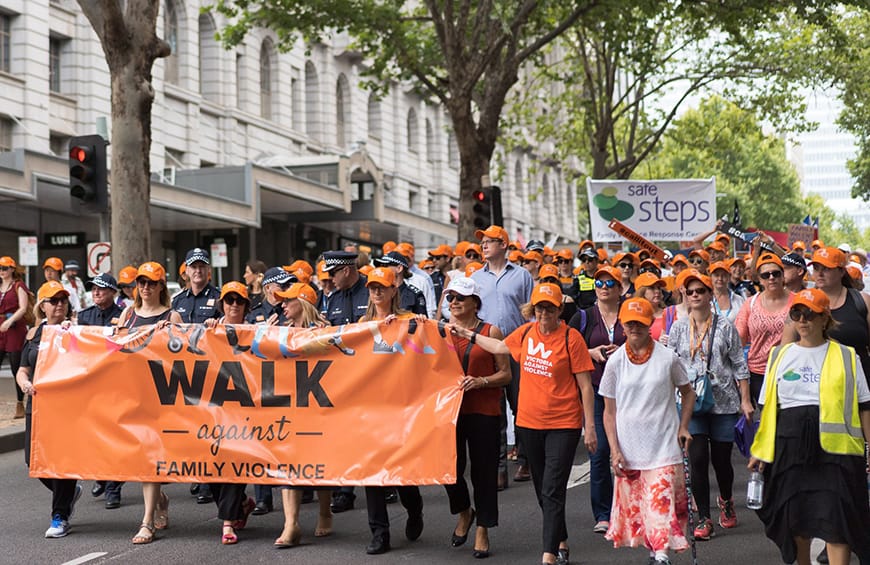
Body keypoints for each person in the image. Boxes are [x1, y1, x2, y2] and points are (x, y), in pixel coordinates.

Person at [452, 282, 595, 565]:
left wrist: (589, 426)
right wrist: (468, 333)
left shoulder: (572, 338)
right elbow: (499, 345)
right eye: (539, 308)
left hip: (563, 424)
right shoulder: (526, 332)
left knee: (553, 487)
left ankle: (549, 554)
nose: (544, 314)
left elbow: (586, 387)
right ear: (532, 310)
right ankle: (561, 538)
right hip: (529, 423)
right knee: (544, 489)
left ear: (559, 310)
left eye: (550, 308)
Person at [749, 288, 870, 565]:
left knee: (837, 520)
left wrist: (869, 448)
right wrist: (759, 450)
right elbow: (768, 408)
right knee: (796, 521)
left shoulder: (848, 356)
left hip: (837, 452)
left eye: (810, 315)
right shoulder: (778, 356)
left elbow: (865, 405)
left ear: (825, 318)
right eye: (796, 314)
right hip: (789, 447)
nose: (802, 321)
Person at [600, 297, 695, 565]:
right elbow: (609, 411)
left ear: (650, 324)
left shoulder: (668, 358)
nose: (634, 328)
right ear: (622, 325)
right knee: (641, 510)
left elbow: (688, 393)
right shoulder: (616, 362)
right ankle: (655, 552)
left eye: (640, 323)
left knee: (660, 502)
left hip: (664, 444)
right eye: (629, 323)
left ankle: (662, 555)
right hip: (630, 448)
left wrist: (683, 425)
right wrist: (614, 450)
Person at [666, 270, 753, 541]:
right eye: (690, 292)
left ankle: (726, 499)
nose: (695, 296)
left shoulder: (725, 326)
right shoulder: (679, 327)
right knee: (698, 458)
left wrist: (746, 399)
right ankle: (703, 516)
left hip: (724, 400)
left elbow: (740, 364)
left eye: (700, 291)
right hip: (691, 401)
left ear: (709, 294)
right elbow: (671, 363)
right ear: (685, 295)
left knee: (722, 461)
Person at [442, 277, 511, 558]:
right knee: (448, 470)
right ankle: (463, 511)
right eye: (450, 298)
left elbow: (506, 374)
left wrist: (481, 381)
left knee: (483, 473)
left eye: (461, 297)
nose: (454, 302)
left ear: (475, 302)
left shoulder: (490, 331)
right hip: (449, 413)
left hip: (483, 410)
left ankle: (482, 527)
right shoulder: (442, 332)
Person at [359, 267, 425, 554]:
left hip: (400, 407)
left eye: (382, 287)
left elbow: (422, 355)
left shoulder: (410, 321)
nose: (376, 292)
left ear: (393, 290)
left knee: (401, 472)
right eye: (372, 287)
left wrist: (417, 328)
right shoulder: (361, 324)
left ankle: (414, 507)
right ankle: (379, 533)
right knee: (372, 471)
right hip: (370, 409)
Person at [120, 262, 182, 544]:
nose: (145, 287)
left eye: (151, 283)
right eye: (141, 282)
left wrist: (169, 334)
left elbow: (187, 358)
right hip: (132, 394)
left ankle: (146, 523)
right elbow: (115, 351)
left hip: (161, 396)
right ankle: (160, 498)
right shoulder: (128, 314)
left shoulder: (173, 316)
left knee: (150, 458)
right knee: (136, 459)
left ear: (161, 286)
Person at [16, 280, 83, 538]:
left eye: (63, 300)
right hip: (38, 406)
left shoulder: (75, 331)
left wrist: (73, 334)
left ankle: (60, 515)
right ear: (42, 306)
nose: (59, 305)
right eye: (53, 301)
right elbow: (23, 370)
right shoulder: (33, 335)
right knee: (32, 461)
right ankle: (68, 492)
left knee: (61, 463)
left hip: (66, 408)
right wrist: (25, 384)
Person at [271, 281, 335, 547]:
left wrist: (325, 337)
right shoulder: (281, 330)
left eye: (288, 300)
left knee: (317, 462)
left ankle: (324, 511)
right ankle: (291, 524)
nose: (282, 304)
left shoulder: (325, 329)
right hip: (288, 404)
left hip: (317, 404)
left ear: (304, 303)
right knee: (288, 460)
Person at [470, 225, 535, 488]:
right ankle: (498, 466)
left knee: (521, 406)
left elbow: (531, 313)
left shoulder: (522, 276)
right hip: (488, 350)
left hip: (517, 349)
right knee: (494, 410)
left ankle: (525, 458)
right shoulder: (476, 277)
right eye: (482, 242)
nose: (484, 246)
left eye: (490, 242)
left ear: (504, 246)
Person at [569, 264, 624, 534]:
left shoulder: (630, 314)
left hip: (630, 394)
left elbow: (647, 341)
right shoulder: (584, 317)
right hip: (598, 392)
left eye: (609, 284)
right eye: (599, 284)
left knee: (632, 452)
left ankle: (630, 507)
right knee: (600, 452)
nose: (603, 288)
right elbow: (568, 346)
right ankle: (603, 513)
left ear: (620, 289)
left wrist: (623, 350)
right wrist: (590, 352)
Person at [201, 281, 256, 544]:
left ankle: (226, 523)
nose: (234, 304)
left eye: (239, 300)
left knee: (235, 463)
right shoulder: (209, 329)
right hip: (213, 407)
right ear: (222, 303)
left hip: (244, 408)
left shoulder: (257, 330)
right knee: (211, 466)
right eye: (229, 300)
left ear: (246, 305)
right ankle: (243, 504)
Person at [323, 250, 369, 513]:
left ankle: (385, 484)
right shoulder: (334, 298)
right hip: (342, 375)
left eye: (333, 274)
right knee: (343, 434)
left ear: (347, 271)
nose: (329, 280)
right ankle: (344, 491)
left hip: (370, 374)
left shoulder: (371, 290)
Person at [78, 273, 126, 508]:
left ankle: (113, 488)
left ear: (113, 293)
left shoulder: (123, 317)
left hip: (116, 386)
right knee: (96, 436)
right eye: (93, 289)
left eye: (102, 289)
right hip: (92, 386)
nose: (96, 293)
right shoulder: (84, 316)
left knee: (115, 437)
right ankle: (101, 475)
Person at [735, 253, 795, 406]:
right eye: (766, 275)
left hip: (790, 371)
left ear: (783, 276)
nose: (771, 278)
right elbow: (737, 342)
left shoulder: (798, 301)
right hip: (758, 374)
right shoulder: (750, 304)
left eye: (776, 273)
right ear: (760, 279)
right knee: (765, 420)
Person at [0, 256, 30, 419]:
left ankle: (20, 403)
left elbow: (23, 308)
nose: (2, 271)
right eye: (0, 268)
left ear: (12, 269)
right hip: (0, 328)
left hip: (14, 328)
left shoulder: (18, 285)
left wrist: (10, 320)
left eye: (5, 268)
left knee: (16, 367)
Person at [172, 248, 220, 325]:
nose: (198, 270)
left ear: (208, 269)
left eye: (202, 266)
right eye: (194, 267)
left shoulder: (219, 298)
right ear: (187, 270)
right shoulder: (178, 300)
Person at [633, 272, 668, 341]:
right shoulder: (634, 316)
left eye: (658, 288)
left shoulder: (669, 313)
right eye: (651, 288)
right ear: (641, 292)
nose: (657, 291)